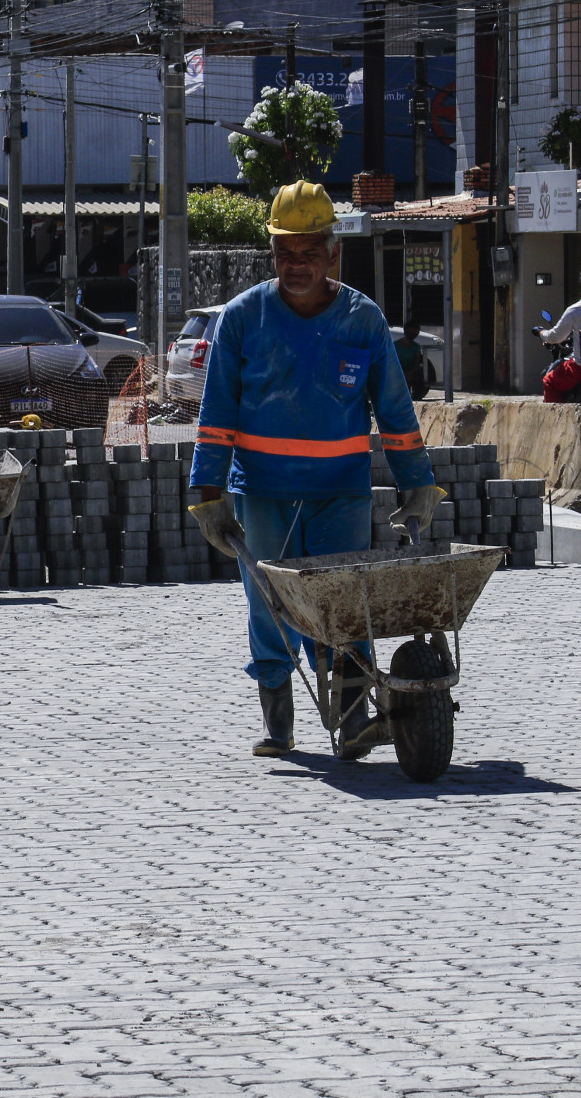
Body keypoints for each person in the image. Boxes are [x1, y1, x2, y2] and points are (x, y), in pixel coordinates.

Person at [187, 181, 441, 760]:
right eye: (285, 252)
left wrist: (418, 483)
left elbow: (395, 411)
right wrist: (209, 494)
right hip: (263, 493)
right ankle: (280, 723)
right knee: (270, 608)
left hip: (340, 493)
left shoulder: (362, 320)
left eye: (308, 252)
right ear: (272, 254)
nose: (296, 264)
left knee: (344, 605)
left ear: (333, 253)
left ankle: (352, 723)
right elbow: (217, 412)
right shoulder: (243, 319)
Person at [393, 321, 429, 398]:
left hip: (411, 371)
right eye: (411, 331)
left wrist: (411, 373)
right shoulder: (395, 345)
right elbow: (393, 362)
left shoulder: (416, 346)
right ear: (406, 331)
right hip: (398, 370)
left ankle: (416, 396)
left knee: (418, 376)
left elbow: (417, 362)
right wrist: (403, 372)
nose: (413, 334)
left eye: (416, 332)